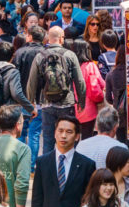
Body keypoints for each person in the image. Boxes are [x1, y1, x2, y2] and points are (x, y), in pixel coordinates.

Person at [26, 26, 86, 156]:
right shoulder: (70, 55)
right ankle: (69, 167)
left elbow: (32, 82)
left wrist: (31, 102)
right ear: (60, 38)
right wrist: (81, 101)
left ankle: (49, 171)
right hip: (67, 103)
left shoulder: (40, 56)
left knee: (48, 140)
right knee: (69, 137)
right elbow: (80, 81)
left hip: (47, 103)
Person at [13, 25, 45, 170]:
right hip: (40, 99)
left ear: (30, 36)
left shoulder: (20, 52)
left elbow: (14, 76)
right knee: (34, 133)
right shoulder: (46, 52)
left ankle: (20, 165)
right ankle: (31, 166)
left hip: (22, 98)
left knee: (20, 131)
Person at [0, 42, 36, 118]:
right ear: (12, 56)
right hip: (7, 112)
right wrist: (30, 108)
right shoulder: (12, 72)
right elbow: (16, 94)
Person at [73, 39, 105, 138]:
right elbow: (98, 86)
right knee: (87, 139)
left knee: (73, 139)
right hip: (88, 109)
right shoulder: (90, 66)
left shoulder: (70, 65)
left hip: (71, 108)